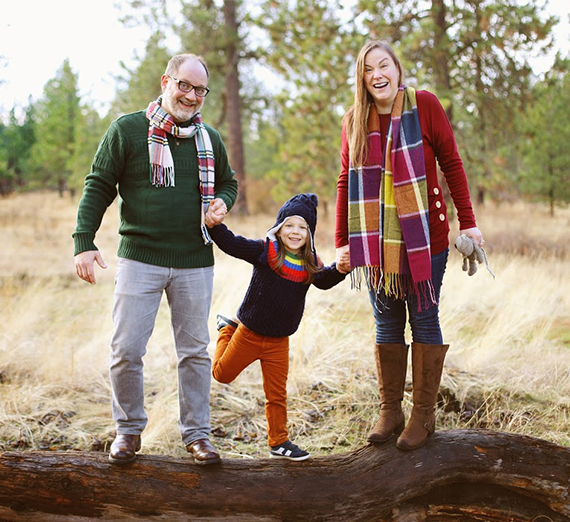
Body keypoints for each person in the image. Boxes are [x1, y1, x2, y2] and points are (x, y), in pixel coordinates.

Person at [73, 53, 238, 465]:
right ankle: (128, 431)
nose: (191, 96)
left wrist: (220, 201)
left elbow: (229, 183)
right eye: (184, 85)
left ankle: (198, 435)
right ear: (167, 81)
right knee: (126, 349)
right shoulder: (128, 130)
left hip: (194, 259)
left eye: (200, 90)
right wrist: (83, 241)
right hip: (140, 258)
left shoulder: (209, 139)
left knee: (195, 352)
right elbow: (98, 185)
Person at [335, 40, 484, 451]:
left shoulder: (425, 106)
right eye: (368, 69)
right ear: (362, 79)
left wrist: (467, 223)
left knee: (424, 318)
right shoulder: (354, 121)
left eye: (384, 65)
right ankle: (390, 411)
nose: (377, 74)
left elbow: (451, 163)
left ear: (397, 70)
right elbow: (345, 183)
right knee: (385, 323)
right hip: (374, 245)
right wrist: (341, 242)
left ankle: (423, 416)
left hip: (426, 240)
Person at [209, 193, 347, 461]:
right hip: (248, 333)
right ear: (279, 227)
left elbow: (325, 281)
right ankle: (226, 328)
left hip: (278, 342)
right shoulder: (265, 252)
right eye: (289, 225)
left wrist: (341, 269)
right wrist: (214, 225)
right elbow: (232, 244)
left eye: (302, 227)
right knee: (221, 374)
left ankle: (278, 442)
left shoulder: (310, 265)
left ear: (310, 233)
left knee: (276, 395)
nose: (295, 232)